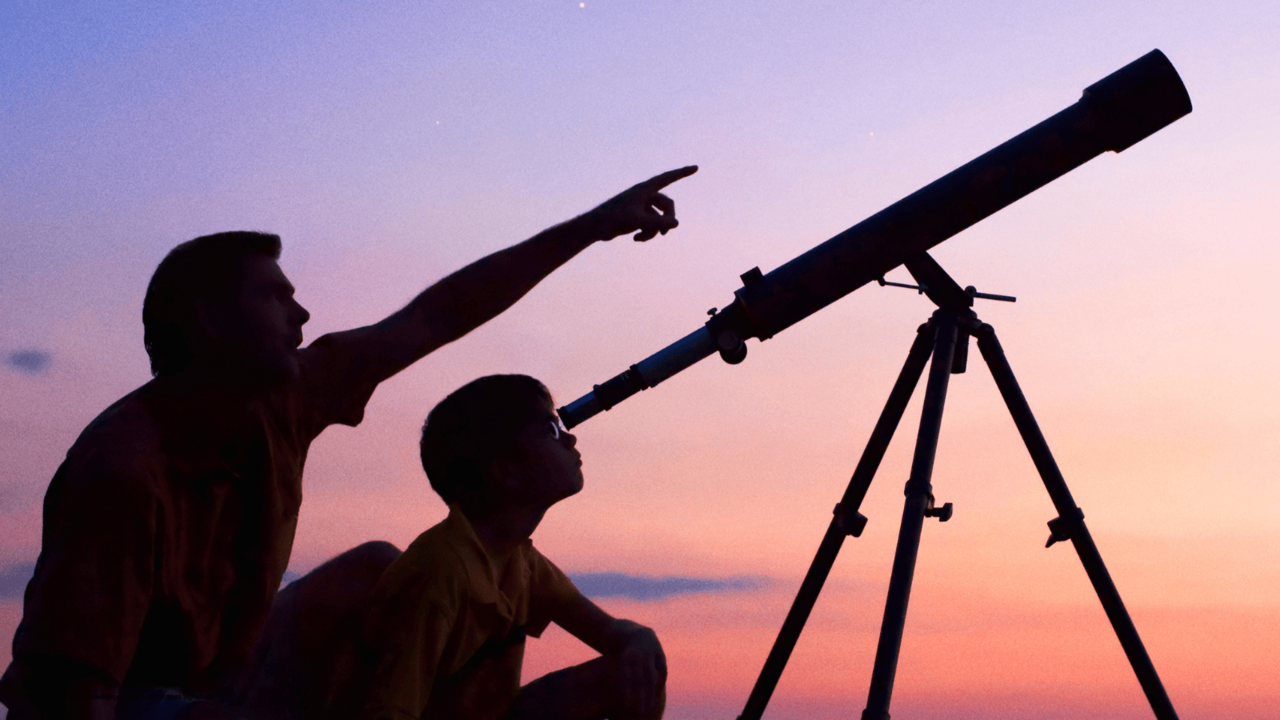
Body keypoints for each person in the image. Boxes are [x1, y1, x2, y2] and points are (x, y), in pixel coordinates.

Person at [0, 166, 696, 720]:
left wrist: (592, 227)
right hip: (119, 701)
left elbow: (437, 315)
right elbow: (77, 691)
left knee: (376, 569)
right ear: (210, 320)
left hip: (226, 672)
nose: (301, 312)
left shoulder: (288, 398)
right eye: (274, 297)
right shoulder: (122, 473)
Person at [341, 375, 665, 720]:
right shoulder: (441, 572)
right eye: (551, 430)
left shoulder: (518, 561)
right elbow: (390, 709)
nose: (569, 438)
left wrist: (639, 639)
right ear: (507, 471)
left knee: (637, 670)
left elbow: (608, 632)